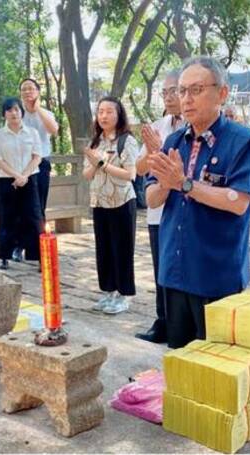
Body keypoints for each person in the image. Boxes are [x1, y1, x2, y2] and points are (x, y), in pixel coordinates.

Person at [146, 56, 250, 349]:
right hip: (175, 267)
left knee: (217, 364)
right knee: (180, 358)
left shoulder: (244, 141)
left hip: (216, 272)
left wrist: (184, 184)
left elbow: (238, 203)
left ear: (222, 93)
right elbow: (151, 198)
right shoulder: (172, 142)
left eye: (196, 90)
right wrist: (166, 182)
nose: (186, 99)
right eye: (181, 91)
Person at [134, 69, 184, 344]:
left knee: (181, 271)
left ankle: (180, 325)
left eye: (173, 90)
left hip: (184, 210)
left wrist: (161, 150)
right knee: (161, 270)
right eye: (164, 92)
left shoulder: (194, 126)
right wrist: (153, 150)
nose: (169, 97)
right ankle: (162, 320)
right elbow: (140, 168)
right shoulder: (158, 125)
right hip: (157, 211)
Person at [83, 96, 138, 315]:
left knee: (122, 250)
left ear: (119, 115)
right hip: (99, 202)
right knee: (103, 249)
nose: (104, 116)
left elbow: (130, 174)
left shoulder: (127, 141)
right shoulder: (95, 142)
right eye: (100, 112)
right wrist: (94, 163)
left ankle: (124, 295)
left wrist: (102, 164)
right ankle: (108, 291)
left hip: (122, 202)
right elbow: (87, 174)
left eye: (109, 112)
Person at [0, 97, 43, 270]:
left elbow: (37, 156)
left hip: (30, 178)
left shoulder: (32, 133)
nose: (13, 113)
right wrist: (16, 175)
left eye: (16, 109)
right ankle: (5, 256)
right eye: (9, 110)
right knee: (7, 217)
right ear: (4, 113)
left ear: (22, 112)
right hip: (7, 179)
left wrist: (24, 175)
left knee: (34, 217)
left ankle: (39, 257)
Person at [16, 77, 59, 261]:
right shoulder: (17, 113)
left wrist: (38, 108)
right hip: (20, 165)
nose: (28, 92)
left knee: (38, 207)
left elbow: (53, 130)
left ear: (38, 92)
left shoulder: (45, 113)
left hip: (41, 164)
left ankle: (39, 249)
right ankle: (19, 245)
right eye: (24, 89)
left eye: (31, 88)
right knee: (20, 206)